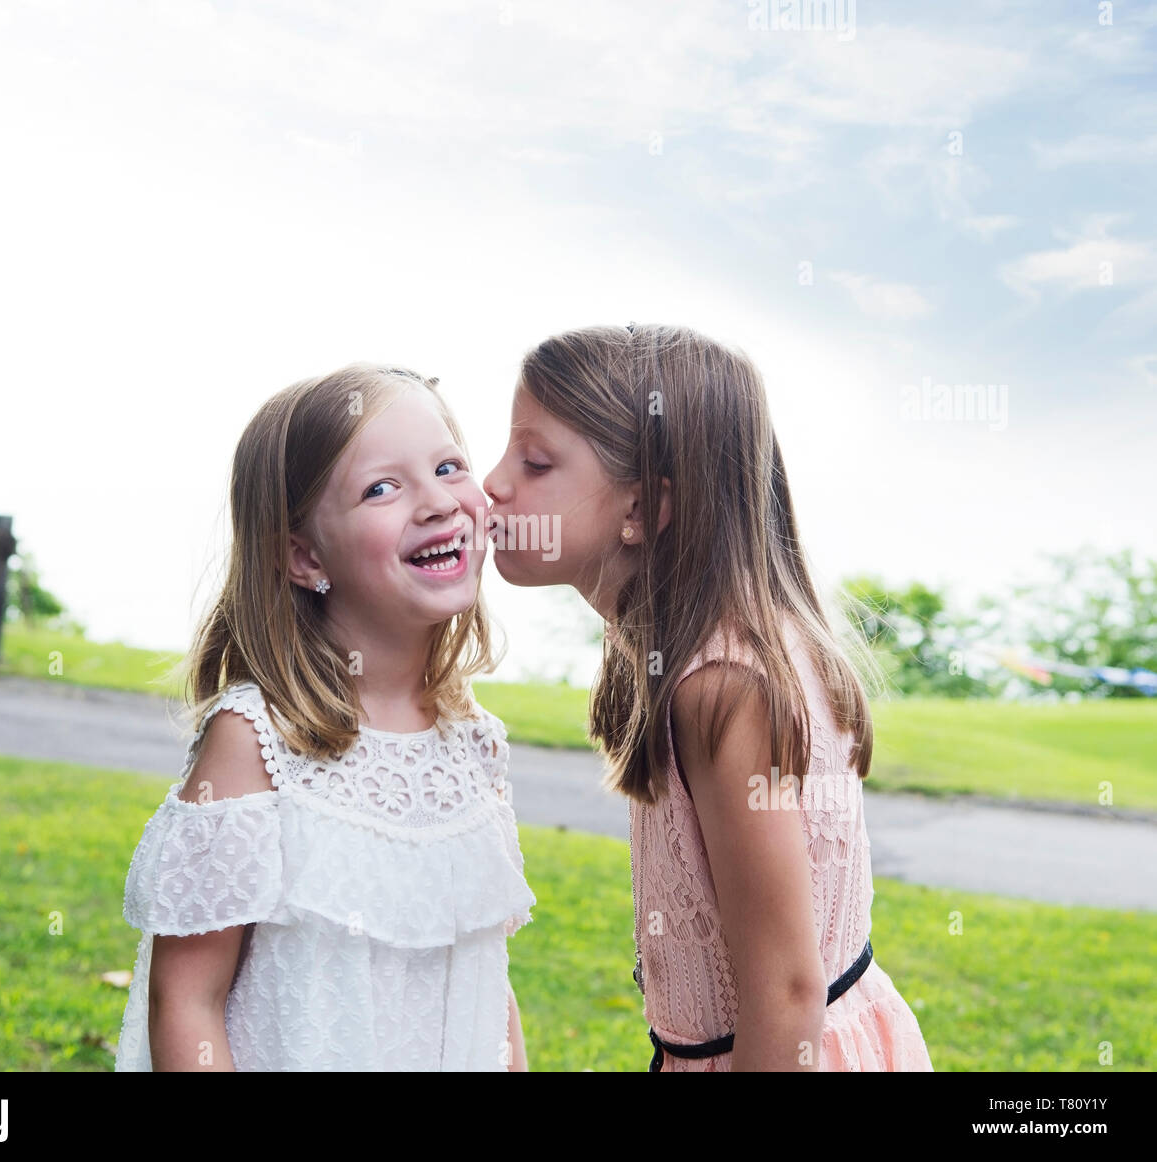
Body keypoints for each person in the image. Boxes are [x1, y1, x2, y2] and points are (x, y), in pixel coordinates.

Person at [482, 323, 933, 1071]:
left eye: (534, 462)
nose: (492, 483)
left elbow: (787, 993)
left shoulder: (722, 689)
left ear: (644, 508)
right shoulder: (703, 649)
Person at [114, 363, 534, 1071]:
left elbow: (485, 984)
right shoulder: (255, 740)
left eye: (448, 466)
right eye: (382, 488)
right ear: (304, 555)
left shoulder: (476, 746)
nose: (437, 503)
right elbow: (187, 1000)